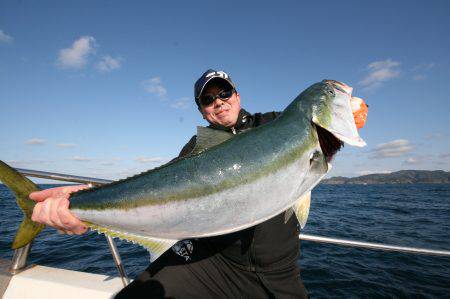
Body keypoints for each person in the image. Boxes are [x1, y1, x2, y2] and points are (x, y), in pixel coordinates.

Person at [30, 69, 367, 298]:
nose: (218, 102)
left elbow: (325, 143)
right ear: (202, 111)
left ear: (237, 94)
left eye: (224, 92)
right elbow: (155, 194)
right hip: (214, 262)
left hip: (281, 272)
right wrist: (83, 204)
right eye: (208, 99)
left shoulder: (277, 124)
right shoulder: (194, 152)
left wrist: (347, 116)